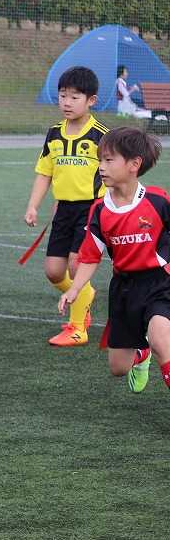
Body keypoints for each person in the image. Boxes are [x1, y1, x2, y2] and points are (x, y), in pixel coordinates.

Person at [59, 126, 170, 395]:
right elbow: (90, 256)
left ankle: (153, 347)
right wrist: (74, 289)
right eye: (100, 160)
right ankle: (141, 354)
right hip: (123, 289)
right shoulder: (99, 210)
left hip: (159, 283)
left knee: (161, 340)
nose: (101, 166)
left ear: (134, 164)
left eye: (109, 160)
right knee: (119, 367)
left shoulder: (158, 201)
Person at [24, 66, 107, 347]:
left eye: (74, 97)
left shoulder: (101, 136)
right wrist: (33, 206)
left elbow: (114, 172)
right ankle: (84, 295)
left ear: (91, 100)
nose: (67, 103)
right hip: (63, 210)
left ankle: (77, 328)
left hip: (91, 209)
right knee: (54, 271)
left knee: (76, 264)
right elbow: (44, 172)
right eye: (62, 96)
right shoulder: (54, 134)